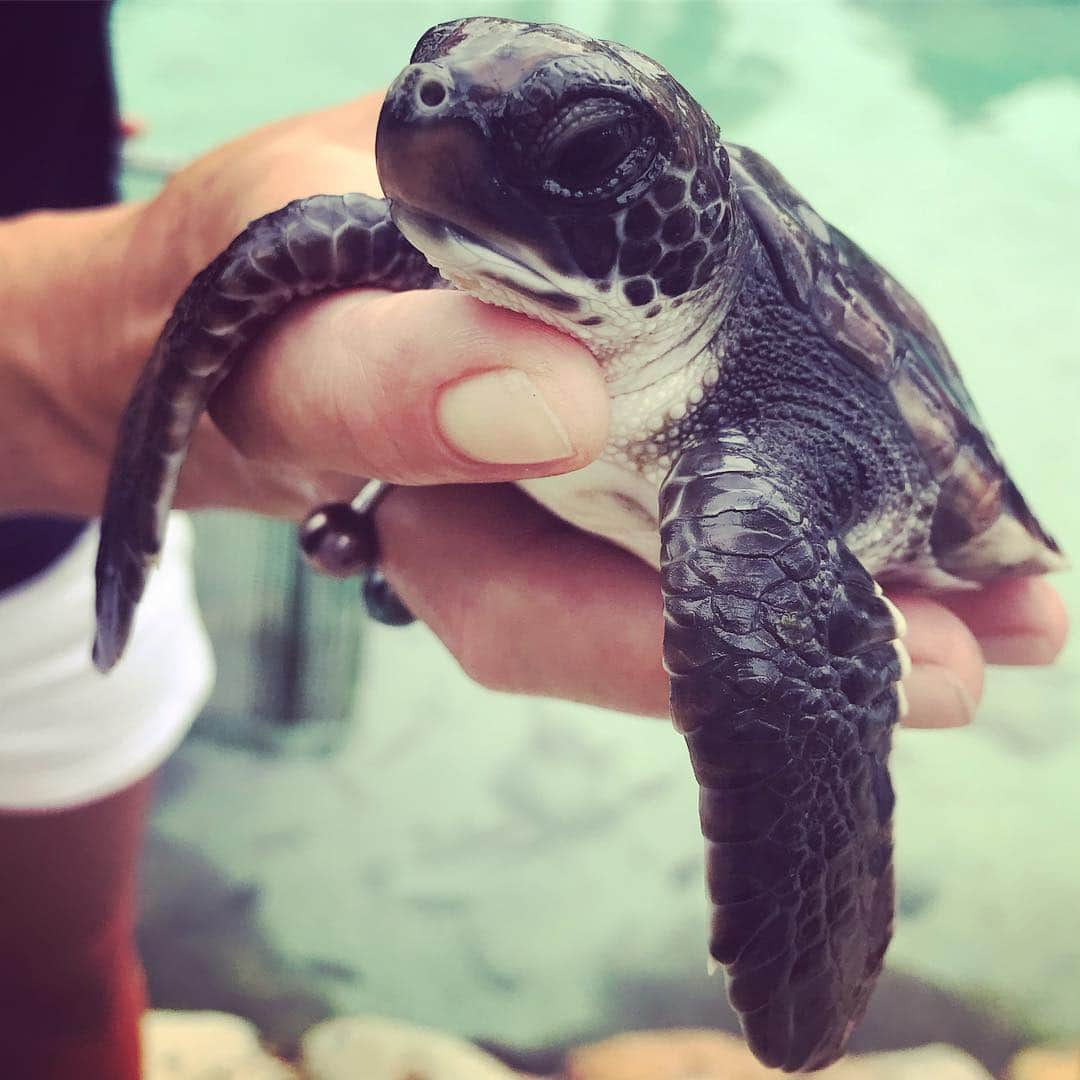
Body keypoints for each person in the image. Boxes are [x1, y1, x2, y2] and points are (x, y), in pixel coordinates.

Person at [0, 4, 1067, 1078]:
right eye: (425, 73)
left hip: (823, 429)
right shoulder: (416, 255)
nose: (432, 107)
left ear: (687, 223)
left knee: (59, 976)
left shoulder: (753, 450)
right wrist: (73, 379)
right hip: (45, 555)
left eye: (593, 151)